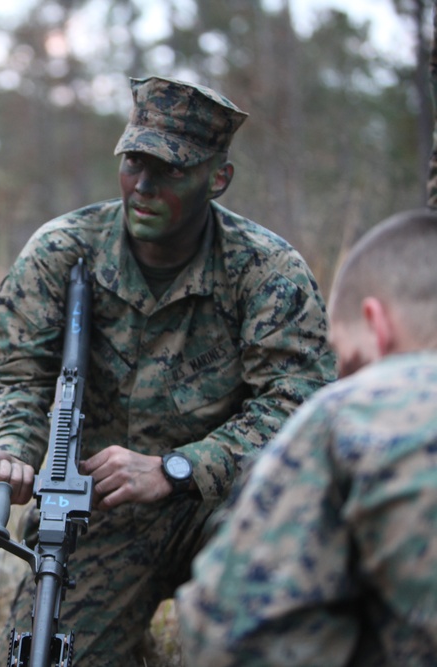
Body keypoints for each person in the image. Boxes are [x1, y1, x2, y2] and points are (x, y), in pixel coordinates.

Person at [0, 75, 336, 666]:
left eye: (169, 170)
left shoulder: (267, 270)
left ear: (218, 179)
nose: (142, 185)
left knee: (277, 625)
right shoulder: (63, 251)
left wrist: (179, 468)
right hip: (98, 508)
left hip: (225, 509)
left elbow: (302, 406)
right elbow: (16, 372)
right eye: (134, 161)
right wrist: (11, 446)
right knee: (48, 653)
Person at [175, 208, 437, 666]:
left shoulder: (357, 408)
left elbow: (222, 633)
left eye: (349, 360)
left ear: (377, 323)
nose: (345, 378)